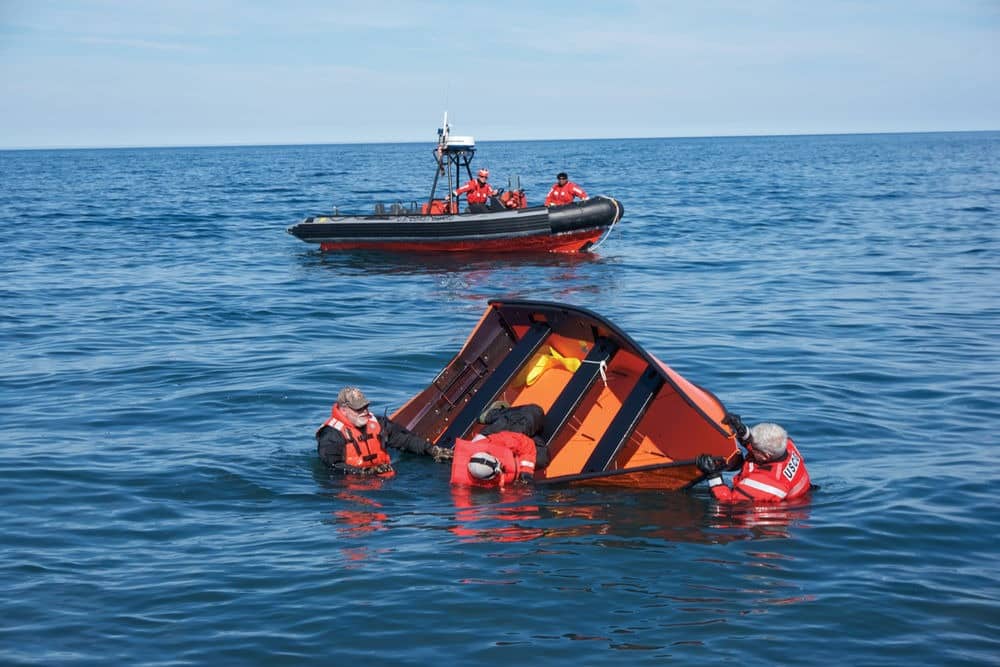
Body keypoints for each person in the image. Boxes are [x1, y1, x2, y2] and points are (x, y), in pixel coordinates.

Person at [316, 386, 452, 477]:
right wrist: (365, 472)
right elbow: (333, 466)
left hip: (384, 479)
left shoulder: (378, 424)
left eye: (366, 407)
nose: (365, 412)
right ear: (344, 410)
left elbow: (405, 440)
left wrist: (433, 450)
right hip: (351, 487)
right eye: (358, 409)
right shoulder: (331, 434)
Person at [696, 414, 811, 504]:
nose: (750, 447)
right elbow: (762, 443)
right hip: (789, 489)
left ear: (766, 456)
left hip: (762, 507)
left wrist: (713, 475)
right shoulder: (786, 445)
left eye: (754, 448)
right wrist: (742, 430)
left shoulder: (766, 482)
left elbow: (726, 501)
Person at [450, 402, 550, 488]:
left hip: (495, 436)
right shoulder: (468, 483)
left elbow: (525, 443)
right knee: (542, 457)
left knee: (535, 413)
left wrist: (526, 472)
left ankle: (492, 414)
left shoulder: (496, 441)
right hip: (512, 460)